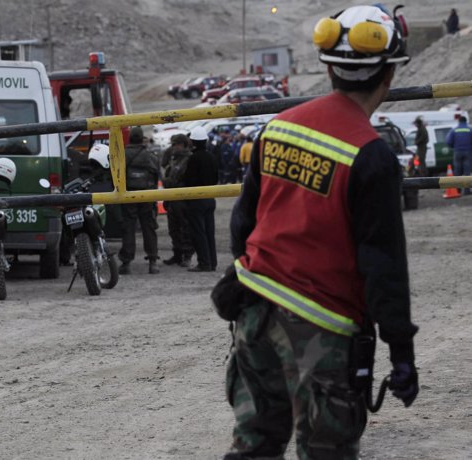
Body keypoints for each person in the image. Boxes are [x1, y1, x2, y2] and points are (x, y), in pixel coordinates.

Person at [217, 5, 419, 459]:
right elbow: (382, 264)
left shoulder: (278, 127)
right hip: (322, 330)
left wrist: (248, 278)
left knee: (253, 446)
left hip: (254, 315)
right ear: (388, 75)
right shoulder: (372, 155)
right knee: (326, 450)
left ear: (329, 68)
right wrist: (401, 351)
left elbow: (243, 223)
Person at [118, 126, 160, 274]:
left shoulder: (123, 155)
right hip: (147, 195)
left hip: (128, 194)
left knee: (128, 228)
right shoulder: (150, 155)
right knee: (149, 227)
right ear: (142, 138)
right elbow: (157, 174)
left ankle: (126, 263)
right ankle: (153, 262)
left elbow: (116, 175)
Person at [182, 125, 218, 272]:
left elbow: (188, 180)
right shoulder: (211, 156)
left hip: (197, 200)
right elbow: (216, 177)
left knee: (199, 232)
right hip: (211, 198)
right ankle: (212, 262)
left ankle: (204, 263)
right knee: (209, 232)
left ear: (193, 141)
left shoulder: (194, 158)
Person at [160, 133, 194, 267]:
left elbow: (175, 180)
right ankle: (177, 254)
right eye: (172, 144)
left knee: (185, 229)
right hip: (172, 200)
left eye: (176, 144)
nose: (173, 147)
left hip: (182, 200)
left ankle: (187, 255)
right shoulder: (173, 159)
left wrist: (165, 181)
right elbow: (164, 166)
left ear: (183, 145)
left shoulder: (188, 159)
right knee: (173, 229)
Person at [446, 115, 472, 195]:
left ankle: (457, 190)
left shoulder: (454, 130)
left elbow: (448, 141)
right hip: (468, 152)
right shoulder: (470, 130)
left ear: (459, 121)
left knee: (457, 171)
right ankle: (467, 191)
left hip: (457, 152)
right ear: (466, 121)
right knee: (467, 172)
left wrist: (454, 147)